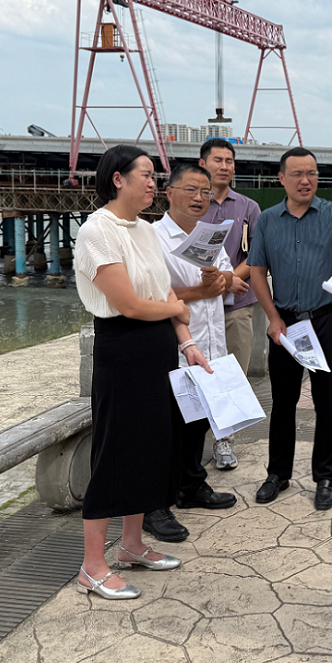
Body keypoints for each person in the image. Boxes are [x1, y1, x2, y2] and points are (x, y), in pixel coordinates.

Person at [72, 145, 212, 600]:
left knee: (151, 447)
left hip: (157, 349)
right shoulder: (97, 231)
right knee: (114, 451)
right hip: (123, 350)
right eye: (146, 175)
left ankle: (131, 545)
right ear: (118, 179)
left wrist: (187, 342)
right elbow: (130, 304)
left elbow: (164, 291)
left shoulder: (146, 229)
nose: (154, 183)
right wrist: (178, 310)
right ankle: (93, 565)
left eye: (155, 176)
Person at [247, 146, 332, 510]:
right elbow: (257, 272)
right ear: (281, 178)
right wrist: (273, 317)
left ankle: (325, 477)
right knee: (283, 401)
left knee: (326, 399)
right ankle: (277, 473)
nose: (305, 180)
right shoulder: (268, 220)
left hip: (326, 319)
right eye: (297, 174)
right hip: (286, 322)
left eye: (311, 173)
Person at [143, 162, 238, 543]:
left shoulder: (209, 235)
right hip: (173, 343)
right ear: (169, 192)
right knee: (167, 426)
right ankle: (156, 502)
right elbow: (153, 294)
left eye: (205, 192)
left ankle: (191, 484)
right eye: (191, 190)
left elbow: (229, 277)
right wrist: (203, 290)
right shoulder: (153, 238)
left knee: (198, 420)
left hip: (209, 341)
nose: (199, 198)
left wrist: (220, 279)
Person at [199, 137, 262, 471]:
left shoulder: (248, 208)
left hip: (237, 304)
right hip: (197, 305)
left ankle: (225, 440)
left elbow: (256, 255)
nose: (224, 166)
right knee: (198, 374)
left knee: (234, 373)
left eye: (229, 161)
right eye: (218, 160)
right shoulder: (194, 205)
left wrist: (226, 281)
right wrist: (219, 282)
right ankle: (192, 440)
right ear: (203, 164)